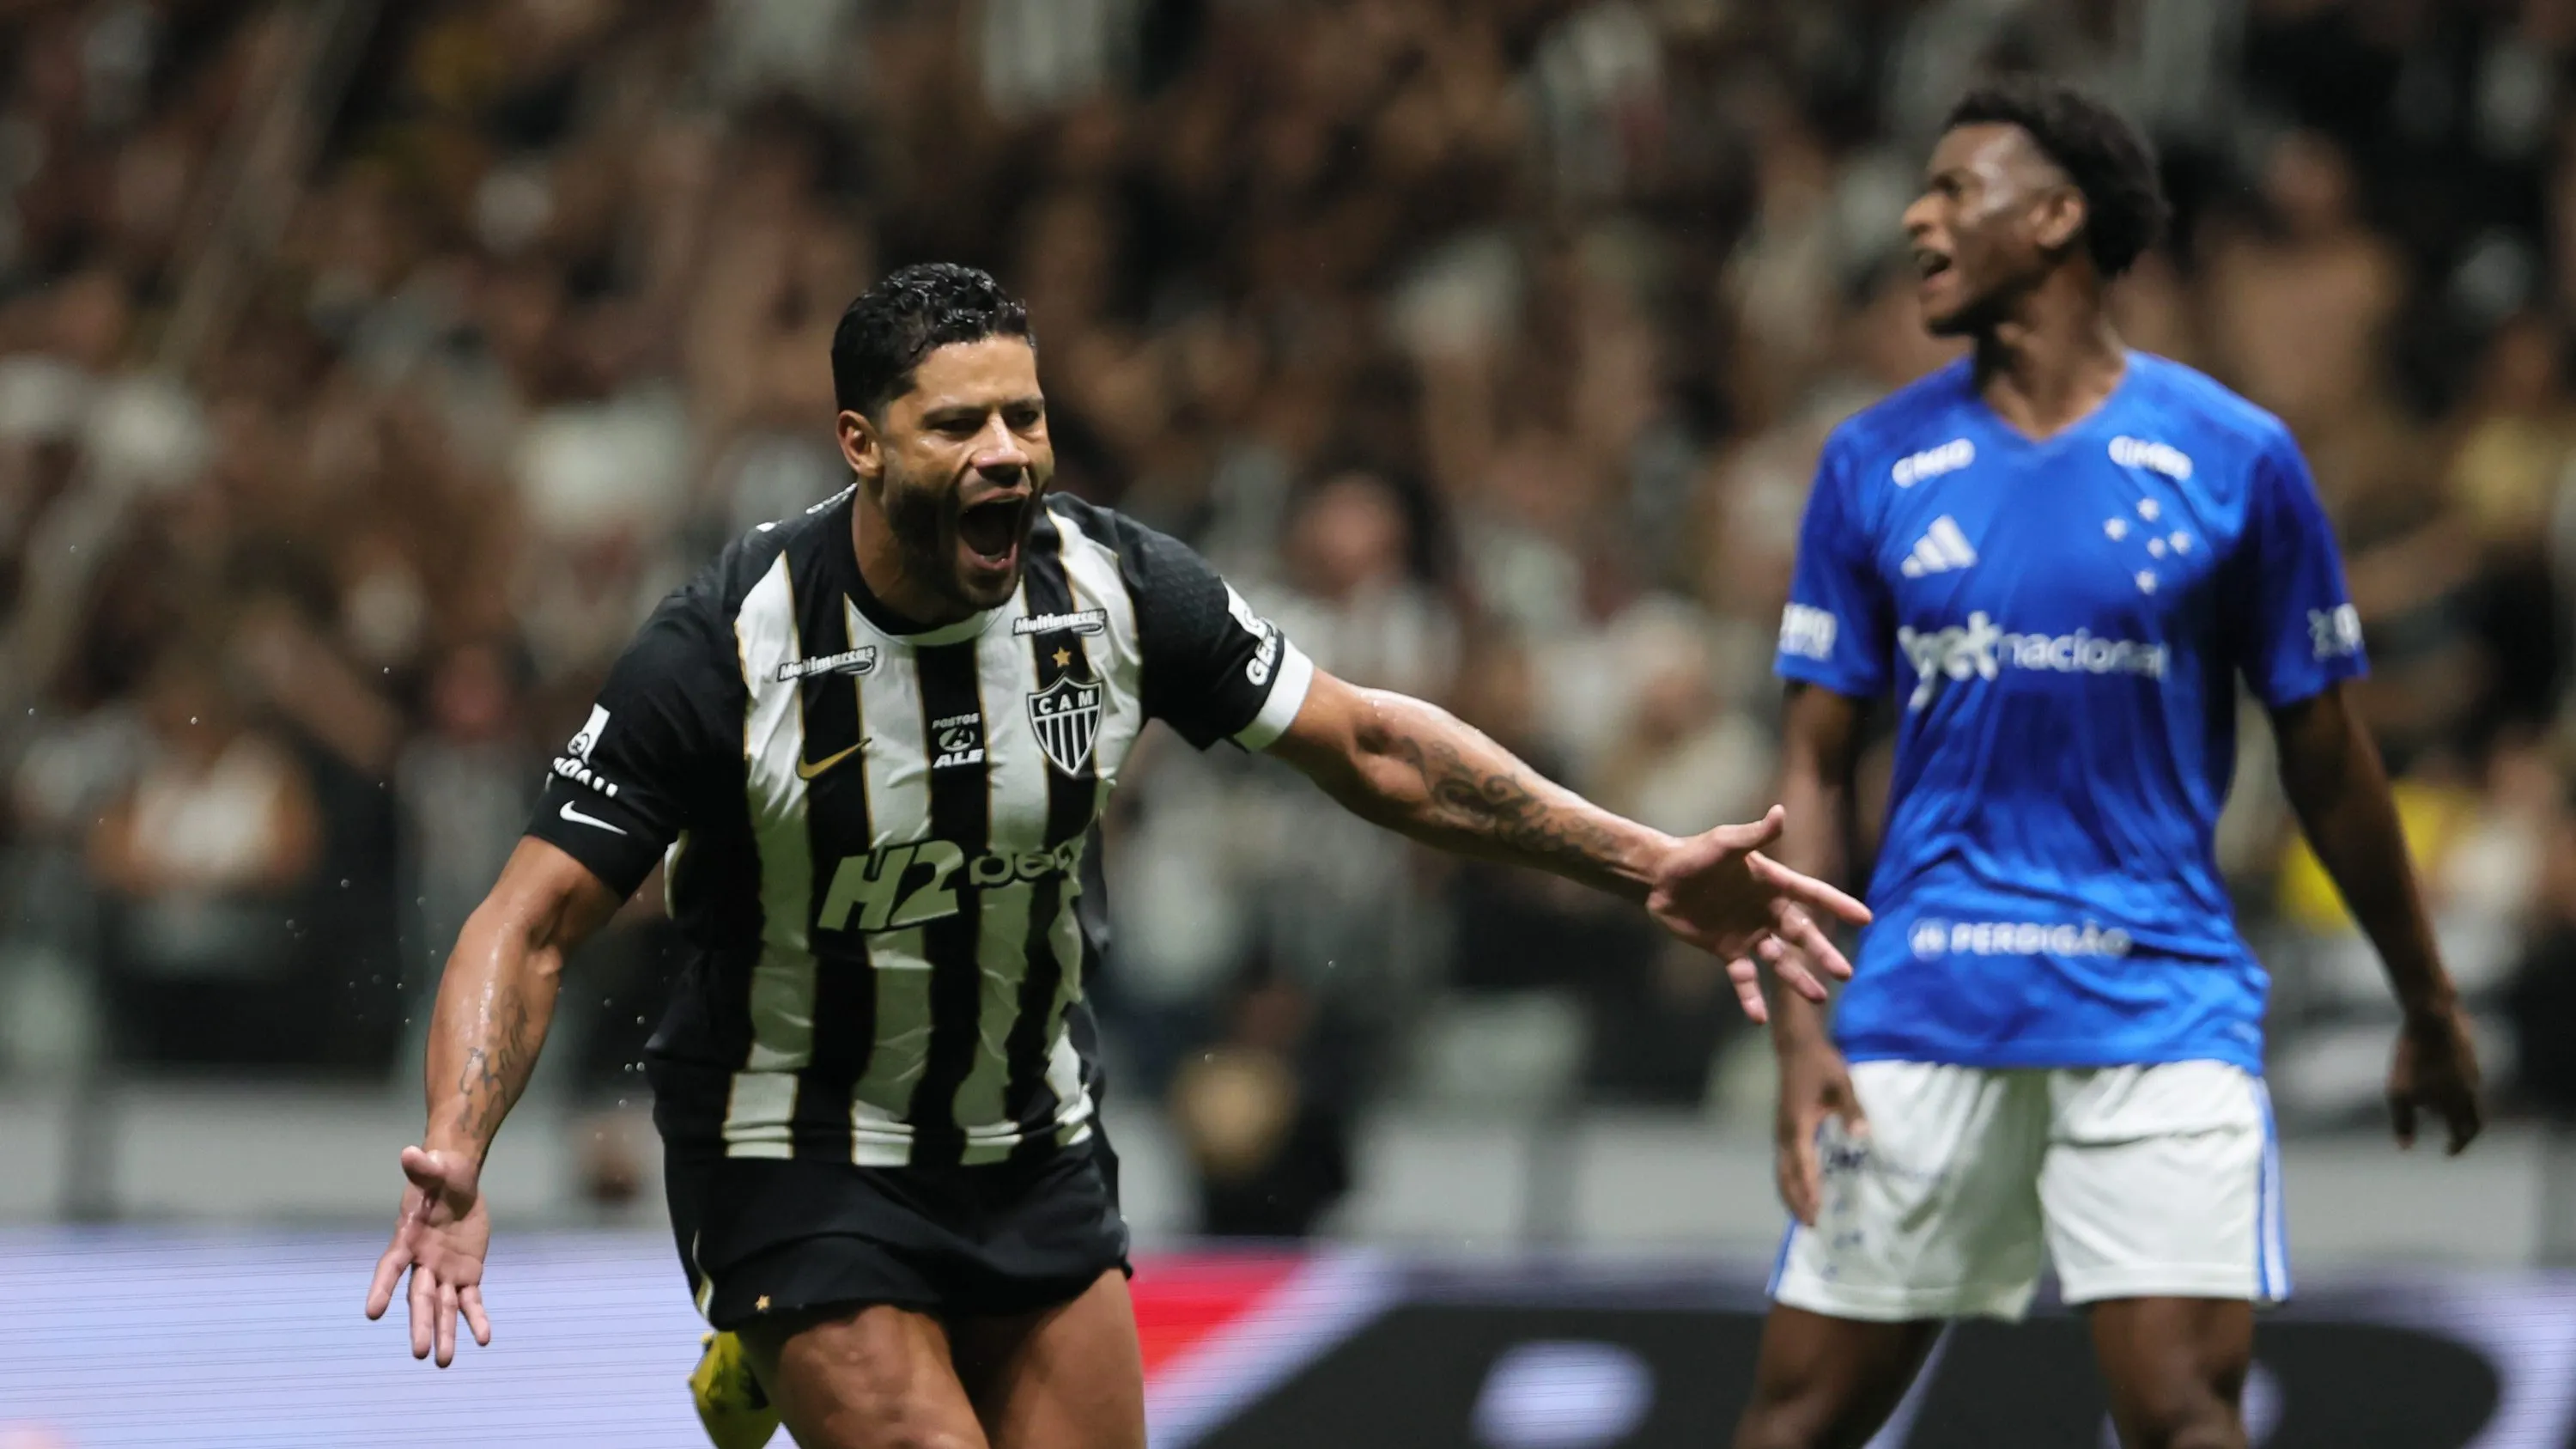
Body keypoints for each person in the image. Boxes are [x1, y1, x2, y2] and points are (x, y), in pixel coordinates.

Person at [361, 263, 1870, 1449]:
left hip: (1030, 1140)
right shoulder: (732, 642)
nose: (1009, 454)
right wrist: (459, 1145)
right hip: (799, 1146)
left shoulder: (1113, 589)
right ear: (863, 442)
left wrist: (1644, 859)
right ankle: (777, 1323)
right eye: (961, 425)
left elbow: (1372, 746)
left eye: (1026, 416)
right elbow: (532, 917)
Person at [1737, 81, 2486, 1449]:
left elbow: (2327, 755)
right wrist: (1802, 1031)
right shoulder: (1870, 462)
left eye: (1956, 189)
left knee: (2185, 1412)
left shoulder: (2235, 458)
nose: (1917, 216)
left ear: (2059, 215)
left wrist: (2424, 1000)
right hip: (1921, 1003)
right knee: (1795, 1422)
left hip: (2158, 999)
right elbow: (1814, 759)